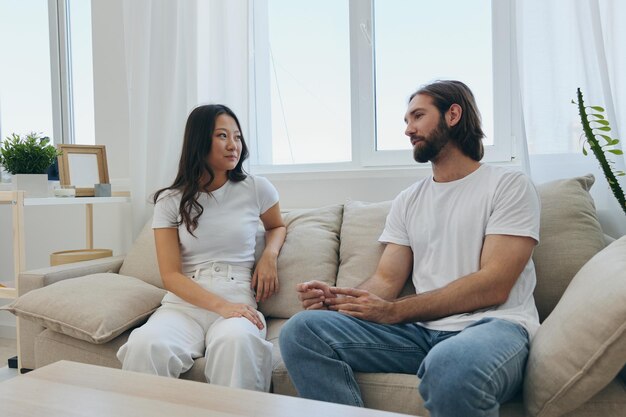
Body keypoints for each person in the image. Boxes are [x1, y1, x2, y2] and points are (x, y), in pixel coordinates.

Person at [279, 80, 541, 417]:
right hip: (419, 335)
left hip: (492, 327)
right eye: (405, 121)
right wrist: (338, 299)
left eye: (417, 116)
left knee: (450, 364)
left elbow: (494, 285)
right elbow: (386, 281)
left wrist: (396, 312)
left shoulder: (508, 185)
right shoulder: (409, 200)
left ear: (453, 115)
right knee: (300, 331)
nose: (408, 129)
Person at [117, 104, 286, 392]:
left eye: (237, 137)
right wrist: (222, 307)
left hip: (237, 294)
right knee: (145, 345)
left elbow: (276, 226)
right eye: (222, 136)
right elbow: (170, 275)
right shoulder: (170, 200)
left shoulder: (257, 188)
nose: (233, 145)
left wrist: (269, 256)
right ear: (199, 141)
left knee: (238, 343)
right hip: (183, 304)